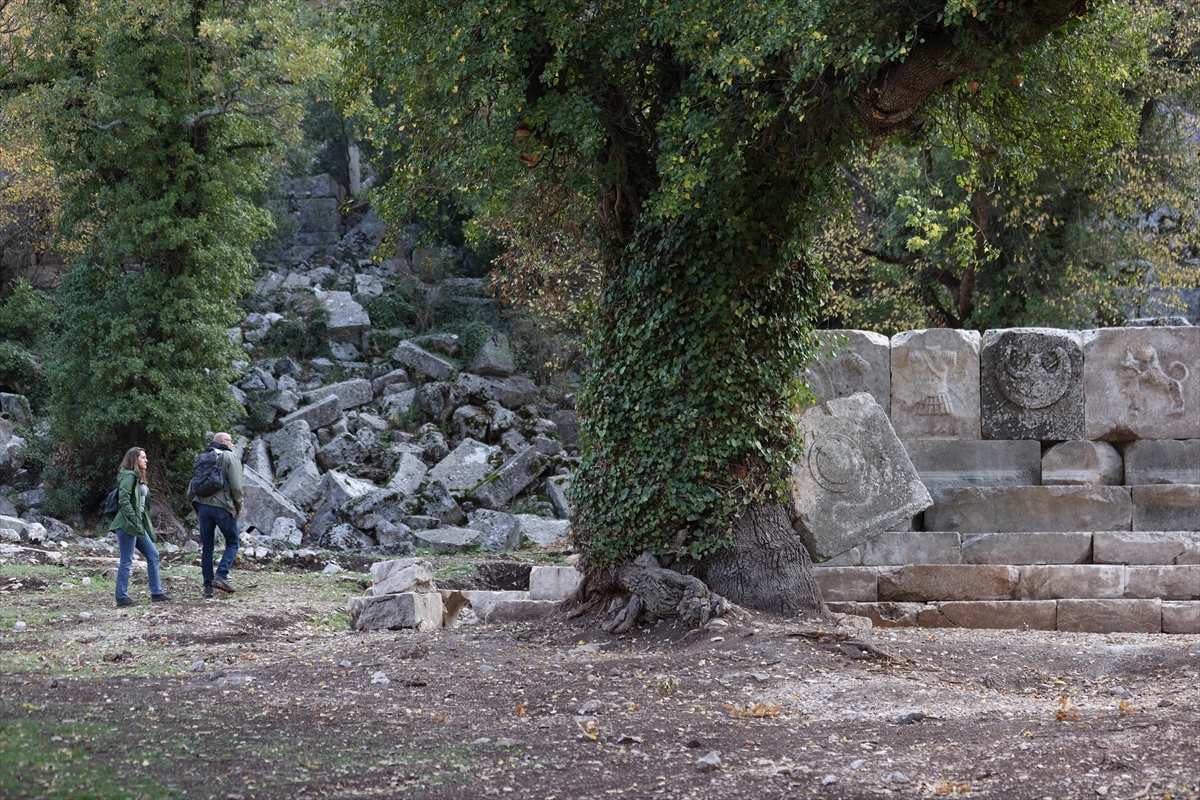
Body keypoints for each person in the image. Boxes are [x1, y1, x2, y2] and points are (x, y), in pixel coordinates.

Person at [109, 447, 172, 607]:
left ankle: (157, 593)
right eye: (143, 457)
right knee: (126, 560)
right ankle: (121, 597)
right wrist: (134, 520)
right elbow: (124, 500)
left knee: (153, 555)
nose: (146, 460)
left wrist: (140, 523)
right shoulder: (128, 476)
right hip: (127, 525)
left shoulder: (137, 477)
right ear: (134, 460)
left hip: (136, 525)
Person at [186, 432, 244, 599]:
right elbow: (236, 485)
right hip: (222, 507)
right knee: (233, 543)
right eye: (231, 441)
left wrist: (196, 507)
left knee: (207, 548)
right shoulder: (229, 457)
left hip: (203, 508)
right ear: (224, 441)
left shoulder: (203, 457)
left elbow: (191, 488)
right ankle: (221, 575)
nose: (232, 444)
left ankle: (208, 587)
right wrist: (238, 505)